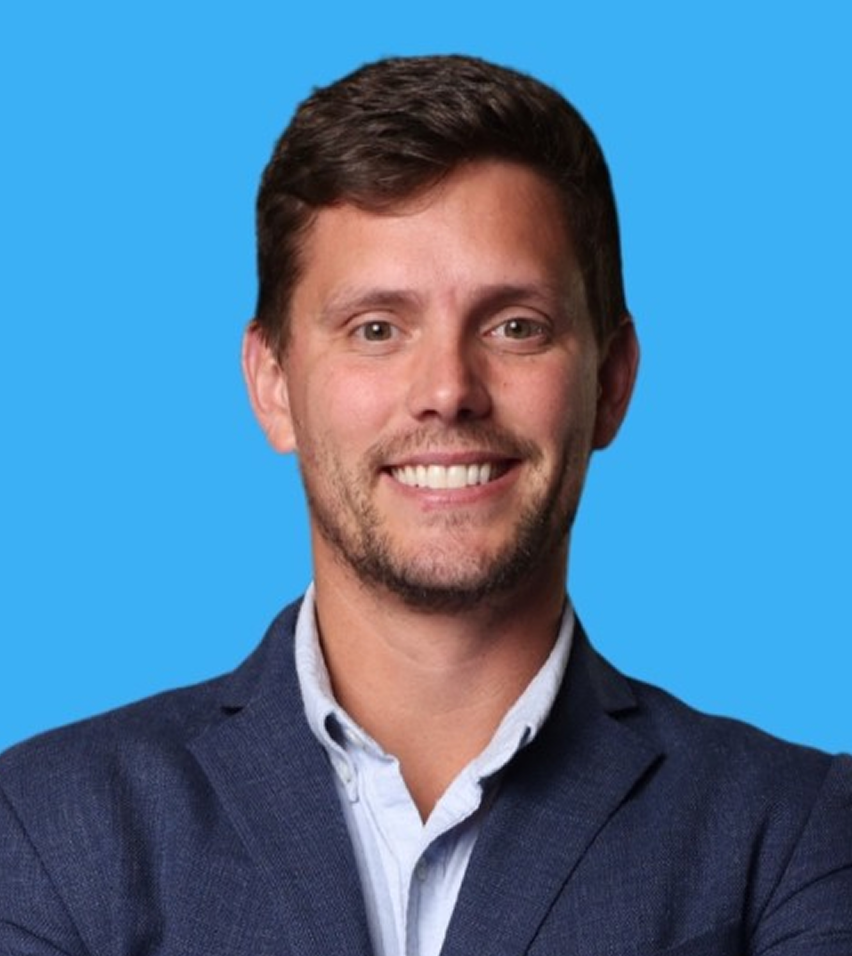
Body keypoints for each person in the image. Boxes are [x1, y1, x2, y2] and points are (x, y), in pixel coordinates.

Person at [1, 54, 850, 956]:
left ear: (612, 382)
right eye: (377, 330)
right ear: (274, 383)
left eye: (515, 326)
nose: (448, 390)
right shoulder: (50, 829)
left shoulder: (789, 837)